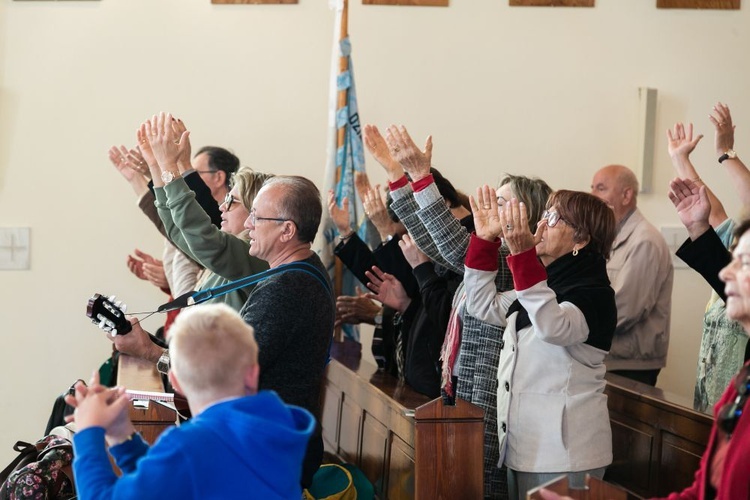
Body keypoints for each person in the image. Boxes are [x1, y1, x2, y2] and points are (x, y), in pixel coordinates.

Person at [369, 123, 551, 499]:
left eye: (502, 203)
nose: (489, 208)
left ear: (526, 214)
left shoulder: (514, 259)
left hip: (486, 398)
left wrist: (419, 176)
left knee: (483, 489)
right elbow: (430, 241)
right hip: (461, 387)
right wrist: (396, 177)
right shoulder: (494, 252)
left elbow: (453, 247)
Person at [66, 303, 316, 500]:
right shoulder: (277, 421)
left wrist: (88, 432)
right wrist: (123, 438)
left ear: (175, 380)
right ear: (253, 372)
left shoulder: (190, 446)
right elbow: (164, 485)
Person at [464, 187, 617, 500]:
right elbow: (480, 305)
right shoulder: (545, 286)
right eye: (545, 214)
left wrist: (522, 256)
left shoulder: (595, 293)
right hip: (526, 444)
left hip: (568, 452)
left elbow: (553, 326)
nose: (542, 224)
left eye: (556, 218)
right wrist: (484, 241)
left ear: (581, 240)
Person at [667, 104, 750, 410]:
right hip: (710, 400)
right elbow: (710, 212)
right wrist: (680, 161)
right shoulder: (734, 248)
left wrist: (726, 152)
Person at [590, 164, 673, 386]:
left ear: (626, 195)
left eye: (600, 188)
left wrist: (576, 328)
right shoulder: (611, 236)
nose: (593, 196)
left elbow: (626, 309)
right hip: (611, 357)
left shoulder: (644, 240)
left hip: (629, 365)